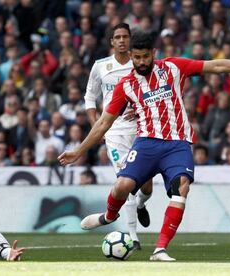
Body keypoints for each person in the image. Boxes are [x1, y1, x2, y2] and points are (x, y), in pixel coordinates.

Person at [58, 30, 230, 261]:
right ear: (131, 56)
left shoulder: (173, 67)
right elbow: (103, 122)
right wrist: (79, 151)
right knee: (122, 186)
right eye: (137, 57)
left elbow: (215, 66)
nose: (142, 62)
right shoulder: (126, 85)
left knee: (181, 187)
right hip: (146, 144)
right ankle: (110, 216)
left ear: (154, 53)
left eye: (145, 56)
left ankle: (160, 249)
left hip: (177, 143)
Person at [83, 23, 152, 250]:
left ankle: (141, 205)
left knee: (147, 188)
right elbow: (90, 98)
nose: (122, 40)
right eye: (117, 37)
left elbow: (151, 93)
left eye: (125, 36)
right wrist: (97, 127)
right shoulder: (101, 66)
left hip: (141, 130)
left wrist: (141, 108)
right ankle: (133, 237)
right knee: (126, 182)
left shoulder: (140, 64)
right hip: (114, 133)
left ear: (130, 40)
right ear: (111, 42)